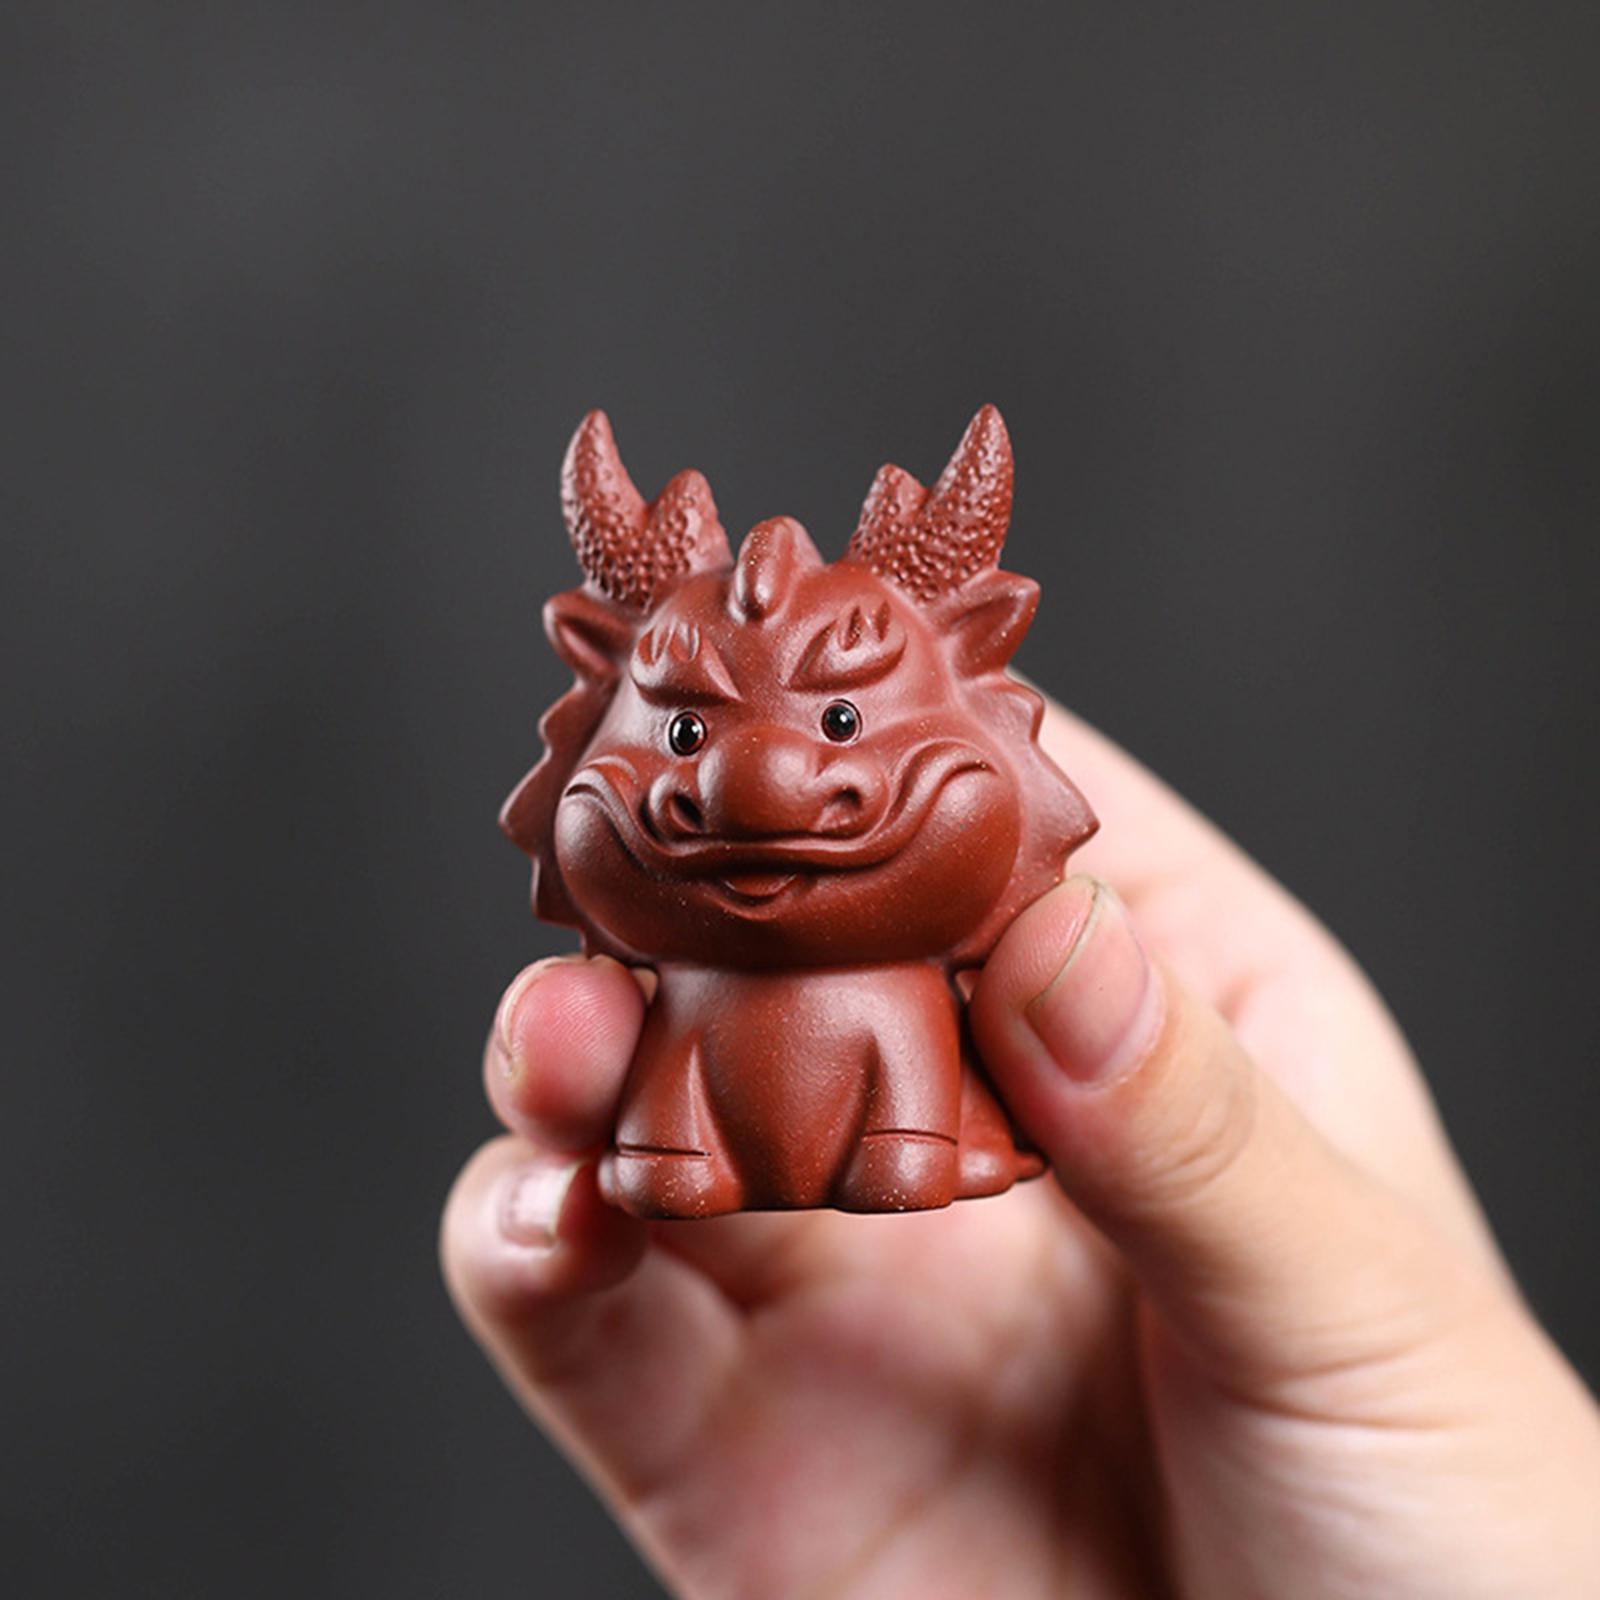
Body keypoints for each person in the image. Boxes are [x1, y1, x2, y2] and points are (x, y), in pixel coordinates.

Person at [441, 696, 1600, 1599]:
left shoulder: (913, 980)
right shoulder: (679, 991)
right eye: (688, 731)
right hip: (702, 1086)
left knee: (905, 1092)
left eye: (837, 719)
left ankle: (900, 1145)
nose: (757, 780)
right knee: (624, 1110)